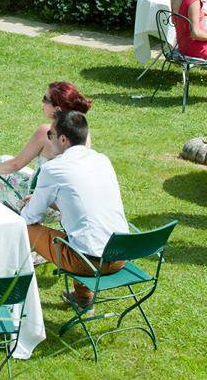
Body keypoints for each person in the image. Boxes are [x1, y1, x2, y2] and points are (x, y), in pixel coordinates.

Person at [20, 110, 129, 309]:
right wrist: (47, 201)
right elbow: (83, 203)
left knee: (22, 229)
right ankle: (83, 298)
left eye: (50, 134)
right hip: (121, 254)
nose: (48, 139)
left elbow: (29, 218)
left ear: (63, 139)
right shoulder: (102, 160)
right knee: (84, 234)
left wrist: (32, 203)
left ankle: (10, 292)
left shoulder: (53, 169)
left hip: (89, 263)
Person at [0, 82, 93, 202]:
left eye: (45, 99)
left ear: (57, 109)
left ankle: (3, 215)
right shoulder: (84, 132)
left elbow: (15, 164)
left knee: (0, 169)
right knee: (4, 160)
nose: (42, 102)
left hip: (40, 202)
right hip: (69, 201)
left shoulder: (47, 131)